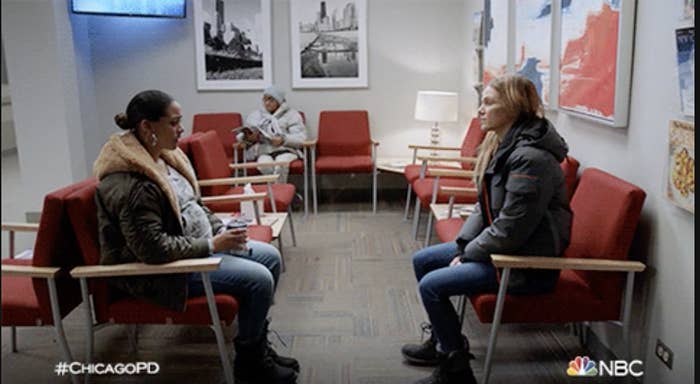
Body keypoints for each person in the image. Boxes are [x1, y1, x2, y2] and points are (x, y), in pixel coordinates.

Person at [93, 90, 299, 384]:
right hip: (164, 273)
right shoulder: (132, 184)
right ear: (147, 128)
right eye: (174, 123)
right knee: (259, 279)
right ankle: (250, 365)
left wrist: (218, 228)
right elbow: (152, 249)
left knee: (271, 256)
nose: (181, 129)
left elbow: (194, 204)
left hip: (196, 250)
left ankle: (255, 347)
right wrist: (213, 245)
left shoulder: (164, 161)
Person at [401, 75, 573, 384]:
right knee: (423, 260)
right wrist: (465, 245)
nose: (481, 109)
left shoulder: (530, 158)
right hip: (503, 251)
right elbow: (485, 206)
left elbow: (512, 228)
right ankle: (444, 342)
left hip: (525, 264)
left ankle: (457, 371)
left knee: (432, 285)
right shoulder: (506, 145)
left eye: (489, 103)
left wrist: (469, 255)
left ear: (513, 107)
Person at [237, 85, 307, 184]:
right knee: (263, 165)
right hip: (264, 151)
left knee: (280, 165)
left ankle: (278, 195)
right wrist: (248, 138)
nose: (267, 103)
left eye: (271, 100)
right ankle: (278, 193)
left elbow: (301, 138)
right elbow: (242, 135)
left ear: (279, 101)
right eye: (265, 100)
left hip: (286, 151)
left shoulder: (292, 115)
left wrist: (283, 139)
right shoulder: (256, 115)